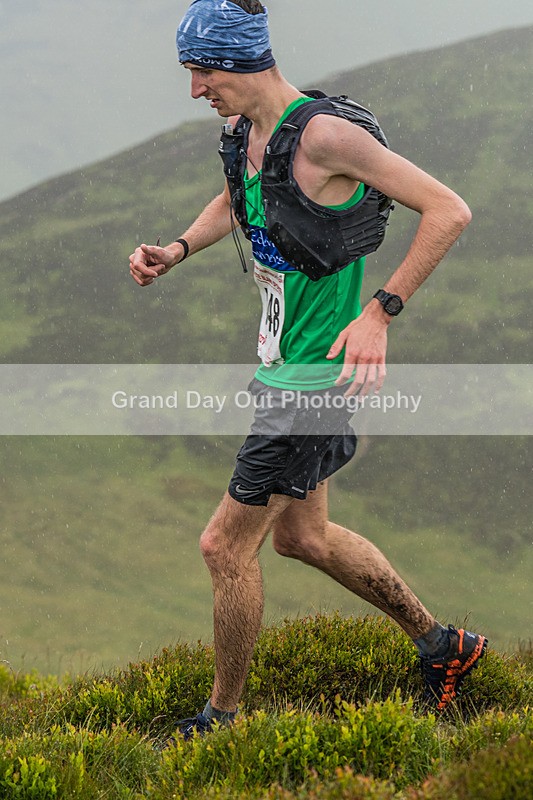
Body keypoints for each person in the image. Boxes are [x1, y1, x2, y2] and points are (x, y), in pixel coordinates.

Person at [129, 0, 487, 736]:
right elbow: (240, 198)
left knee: (224, 546)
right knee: (301, 538)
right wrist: (178, 248)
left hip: (312, 385)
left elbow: (448, 209)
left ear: (237, 61)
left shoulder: (324, 136)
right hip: (282, 365)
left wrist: (379, 310)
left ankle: (218, 721)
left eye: (201, 71)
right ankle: (443, 646)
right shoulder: (248, 133)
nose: (195, 89)